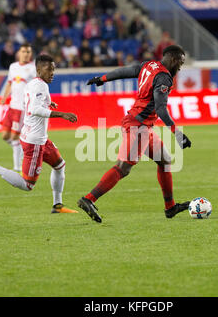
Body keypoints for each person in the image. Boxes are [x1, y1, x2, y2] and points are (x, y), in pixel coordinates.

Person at [77, 45, 192, 223]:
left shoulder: (150, 65)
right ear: (174, 59)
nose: (180, 68)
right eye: (181, 63)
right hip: (138, 126)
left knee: (165, 160)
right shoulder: (164, 78)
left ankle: (170, 207)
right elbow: (161, 109)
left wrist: (103, 78)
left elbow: (127, 71)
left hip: (144, 126)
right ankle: (88, 199)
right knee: (123, 168)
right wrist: (176, 133)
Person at [0, 54, 78, 214]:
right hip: (34, 141)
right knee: (28, 185)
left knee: (60, 165)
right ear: (39, 69)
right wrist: (62, 114)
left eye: (54, 69)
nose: (52, 73)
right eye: (49, 69)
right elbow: (34, 109)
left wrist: (48, 102)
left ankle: (58, 205)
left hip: (40, 138)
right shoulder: (39, 86)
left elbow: (28, 103)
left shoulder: (33, 83)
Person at [0, 43, 36, 173]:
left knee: (15, 137)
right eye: (24, 51)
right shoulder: (13, 67)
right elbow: (10, 83)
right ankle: (20, 151)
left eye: (28, 52)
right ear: (19, 53)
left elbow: (36, 86)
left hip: (22, 108)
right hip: (12, 106)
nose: (26, 54)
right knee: (5, 136)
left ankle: (17, 166)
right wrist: (4, 98)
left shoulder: (32, 68)